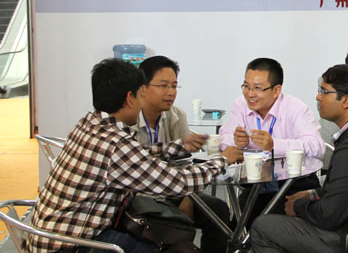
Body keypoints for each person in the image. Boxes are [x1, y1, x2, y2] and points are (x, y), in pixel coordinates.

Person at [27, 58, 243, 252]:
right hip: (73, 244)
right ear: (131, 98)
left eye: (174, 86)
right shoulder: (115, 143)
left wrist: (178, 146)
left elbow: (137, 157)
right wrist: (223, 160)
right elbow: (178, 182)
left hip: (46, 235)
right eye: (141, 95)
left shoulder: (90, 124)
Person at [251, 64, 348, 253]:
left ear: (346, 100)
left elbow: (329, 216)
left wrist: (298, 206)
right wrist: (313, 194)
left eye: (324, 92)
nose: (318, 97)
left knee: (262, 227)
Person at [132, 55, 230, 253]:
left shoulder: (176, 115)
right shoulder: (129, 119)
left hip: (174, 190)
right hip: (141, 197)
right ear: (143, 87)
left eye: (174, 86)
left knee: (218, 210)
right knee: (173, 225)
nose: (171, 92)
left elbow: (185, 162)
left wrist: (187, 198)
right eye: (163, 86)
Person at [219, 57, 325, 225]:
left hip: (294, 185)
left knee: (263, 224)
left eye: (257, 88)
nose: (250, 94)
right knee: (237, 225)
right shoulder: (241, 105)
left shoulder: (296, 108)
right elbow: (224, 138)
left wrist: (275, 145)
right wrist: (236, 142)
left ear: (276, 90)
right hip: (255, 185)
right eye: (246, 86)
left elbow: (317, 146)